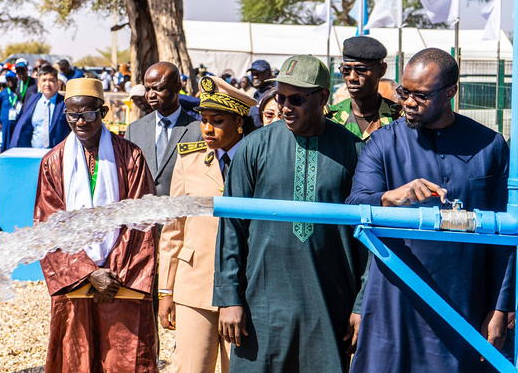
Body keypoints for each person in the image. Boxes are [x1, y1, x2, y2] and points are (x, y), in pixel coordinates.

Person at [347, 48, 514, 373]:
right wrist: (389, 198)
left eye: (420, 95)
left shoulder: (490, 146)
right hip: (394, 303)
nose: (408, 102)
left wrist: (500, 307)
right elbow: (354, 206)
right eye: (404, 92)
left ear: (451, 91)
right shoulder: (382, 143)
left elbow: (506, 237)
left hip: (465, 303)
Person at [214, 55, 368, 372]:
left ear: (323, 98)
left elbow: (365, 240)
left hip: (328, 307)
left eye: (295, 99)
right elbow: (232, 227)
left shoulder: (353, 151)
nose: (285, 106)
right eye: (281, 97)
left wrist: (362, 304)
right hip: (259, 307)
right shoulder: (253, 147)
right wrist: (229, 297)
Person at [34, 77, 158, 372]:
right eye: (73, 115)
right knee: (76, 356)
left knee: (124, 357)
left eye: (88, 113)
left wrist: (110, 277)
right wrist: (88, 273)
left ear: (103, 113)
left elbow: (141, 221)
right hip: (76, 283)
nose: (80, 122)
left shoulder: (130, 156)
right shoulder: (53, 162)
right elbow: (49, 226)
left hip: (120, 281)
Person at [159, 76, 257, 373]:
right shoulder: (188, 160)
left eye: (217, 120)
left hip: (244, 287)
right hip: (193, 282)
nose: (207, 128)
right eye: (203, 119)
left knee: (239, 368)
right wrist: (166, 292)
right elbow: (173, 230)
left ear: (239, 121)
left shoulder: (257, 160)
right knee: (190, 367)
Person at [124, 62, 202, 196]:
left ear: (177, 87)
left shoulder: (198, 130)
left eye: (158, 89)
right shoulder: (134, 130)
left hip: (181, 213)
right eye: (147, 89)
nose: (150, 95)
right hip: (142, 213)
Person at [326, 36, 401, 140]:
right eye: (346, 70)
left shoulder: (399, 120)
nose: (352, 77)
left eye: (361, 70)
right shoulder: (329, 119)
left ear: (381, 70)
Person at [10, 65, 70, 149]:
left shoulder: (64, 103)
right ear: (38, 83)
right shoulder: (33, 100)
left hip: (57, 155)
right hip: (35, 153)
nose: (47, 84)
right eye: (44, 80)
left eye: (51, 80)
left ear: (57, 83)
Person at [0, 70, 21, 153]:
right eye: (7, 80)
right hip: (6, 124)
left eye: (12, 79)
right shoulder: (2, 94)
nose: (10, 82)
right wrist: (1, 120)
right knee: (6, 143)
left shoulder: (19, 93)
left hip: (17, 123)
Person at [245, 60, 274, 128]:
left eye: (258, 74)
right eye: (253, 74)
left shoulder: (273, 94)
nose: (254, 77)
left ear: (269, 74)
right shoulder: (257, 94)